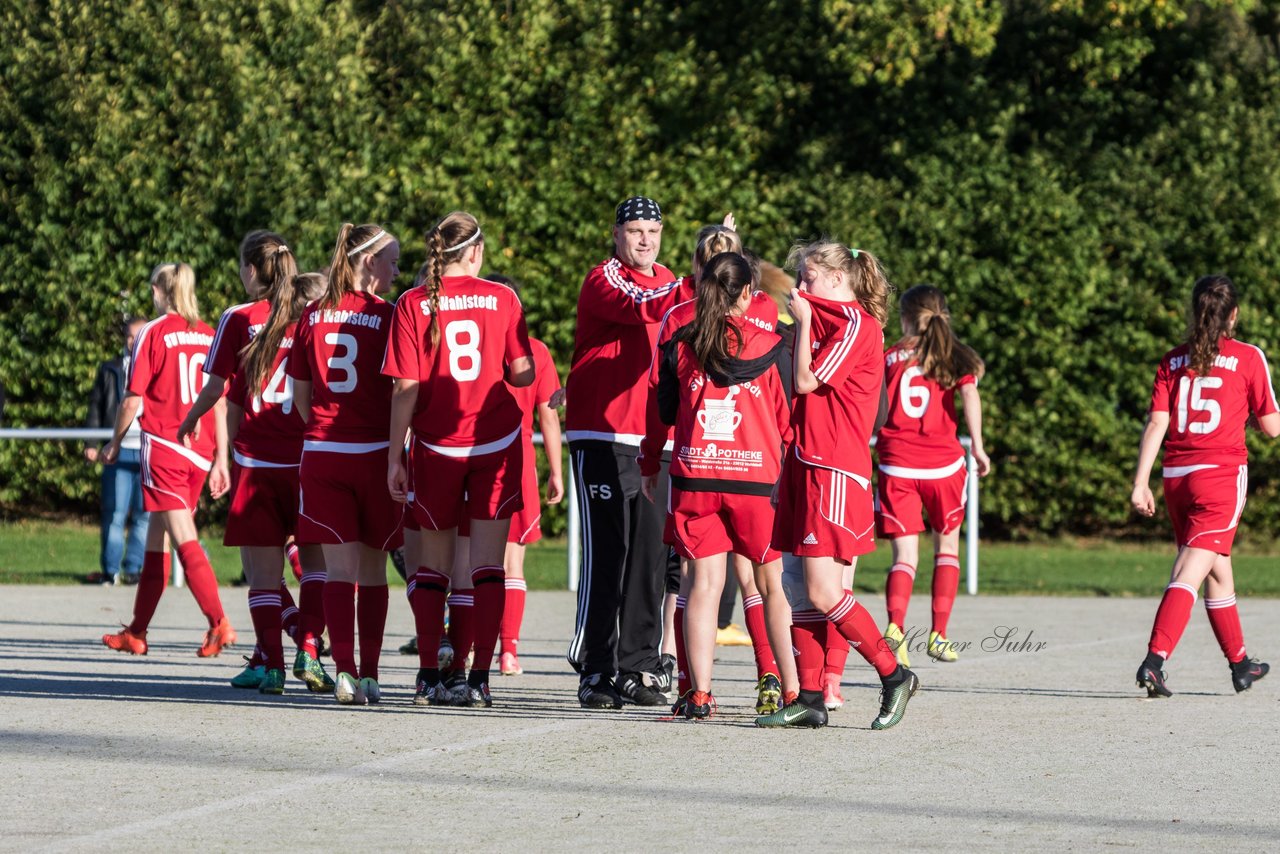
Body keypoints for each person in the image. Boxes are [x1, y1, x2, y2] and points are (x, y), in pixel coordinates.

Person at [759, 241, 918, 730]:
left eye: (808, 277)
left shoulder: (856, 325)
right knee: (797, 590)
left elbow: (806, 381)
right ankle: (810, 697)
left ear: (835, 278)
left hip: (834, 470)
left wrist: (803, 322)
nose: (801, 288)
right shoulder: (829, 319)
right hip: (804, 463)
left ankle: (894, 675)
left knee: (826, 593)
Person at [385, 211, 534, 708]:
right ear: (476, 251)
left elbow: (405, 387)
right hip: (493, 443)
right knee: (489, 566)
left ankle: (430, 673)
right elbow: (520, 372)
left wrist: (394, 456)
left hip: (436, 445)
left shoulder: (411, 301)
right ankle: (478, 677)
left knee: (434, 566)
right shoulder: (503, 297)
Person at [641, 227, 788, 717]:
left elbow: (659, 408)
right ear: (748, 289)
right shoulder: (772, 337)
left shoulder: (679, 331)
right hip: (756, 480)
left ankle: (697, 692)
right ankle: (785, 688)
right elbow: (787, 418)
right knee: (767, 585)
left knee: (700, 586)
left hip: (694, 476)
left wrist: (648, 459)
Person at [565, 196, 695, 709]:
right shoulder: (605, 278)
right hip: (600, 433)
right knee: (607, 554)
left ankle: (637, 664)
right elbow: (646, 304)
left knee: (647, 557)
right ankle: (595, 667)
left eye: (654, 231)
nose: (645, 240)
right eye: (636, 230)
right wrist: (702, 276)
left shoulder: (672, 281)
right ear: (616, 234)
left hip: (652, 437)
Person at [1131, 274, 1273, 697]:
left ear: (1196, 312)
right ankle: (1155, 660)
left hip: (1177, 478)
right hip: (1221, 477)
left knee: (1216, 569)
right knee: (1192, 567)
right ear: (1234, 314)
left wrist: (1141, 482)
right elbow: (1272, 427)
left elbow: (1158, 422)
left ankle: (1241, 664)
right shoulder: (1248, 357)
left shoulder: (1172, 360)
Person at [288, 223, 402, 705]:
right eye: (392, 261)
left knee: (339, 572)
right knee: (374, 570)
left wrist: (325, 427)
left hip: (324, 455)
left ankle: (345, 673)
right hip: (374, 453)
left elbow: (299, 396)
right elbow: (403, 389)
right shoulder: (390, 315)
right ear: (369, 263)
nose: (397, 270)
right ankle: (371, 675)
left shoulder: (312, 314)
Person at [100, 263, 235, 657]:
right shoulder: (210, 333)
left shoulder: (151, 333)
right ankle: (137, 631)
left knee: (184, 540)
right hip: (200, 450)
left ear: (160, 290)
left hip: (165, 446)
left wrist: (113, 442)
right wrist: (221, 458)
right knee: (157, 541)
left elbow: (133, 398)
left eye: (151, 289)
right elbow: (221, 402)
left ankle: (218, 622)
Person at [876, 285, 991, 666]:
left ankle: (895, 628)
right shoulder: (953, 355)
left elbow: (874, 405)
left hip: (897, 464)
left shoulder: (889, 355)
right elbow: (971, 396)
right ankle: (939, 634)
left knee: (904, 557)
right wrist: (977, 444)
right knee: (946, 549)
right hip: (943, 465)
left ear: (905, 318)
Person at [484, 273, 564, 677]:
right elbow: (549, 415)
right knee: (513, 563)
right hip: (516, 462)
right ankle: (508, 652)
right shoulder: (535, 351)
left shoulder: (478, 347)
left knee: (468, 563)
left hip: (471, 455)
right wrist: (555, 470)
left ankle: (463, 647)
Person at [85, 316, 150, 586]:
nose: (132, 341)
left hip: (148, 449)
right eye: (129, 336)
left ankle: (134, 569)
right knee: (114, 513)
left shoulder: (158, 363)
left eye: (138, 336)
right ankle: (110, 570)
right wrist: (91, 443)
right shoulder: (110, 369)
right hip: (119, 449)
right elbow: (97, 406)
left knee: (144, 514)